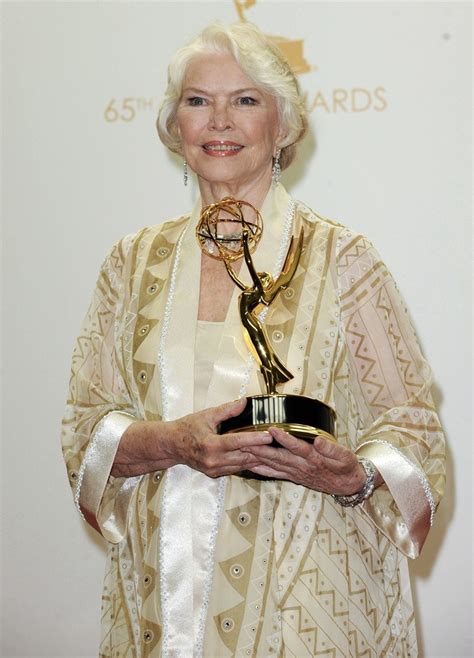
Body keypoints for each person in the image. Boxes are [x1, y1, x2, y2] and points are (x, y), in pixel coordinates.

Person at [62, 22, 446, 657]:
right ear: (173, 127)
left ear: (283, 126)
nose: (219, 120)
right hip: (158, 613)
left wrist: (353, 475)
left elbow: (411, 428)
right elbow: (85, 430)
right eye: (197, 100)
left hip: (307, 611)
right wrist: (171, 442)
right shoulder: (129, 264)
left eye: (245, 100)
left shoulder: (344, 260)